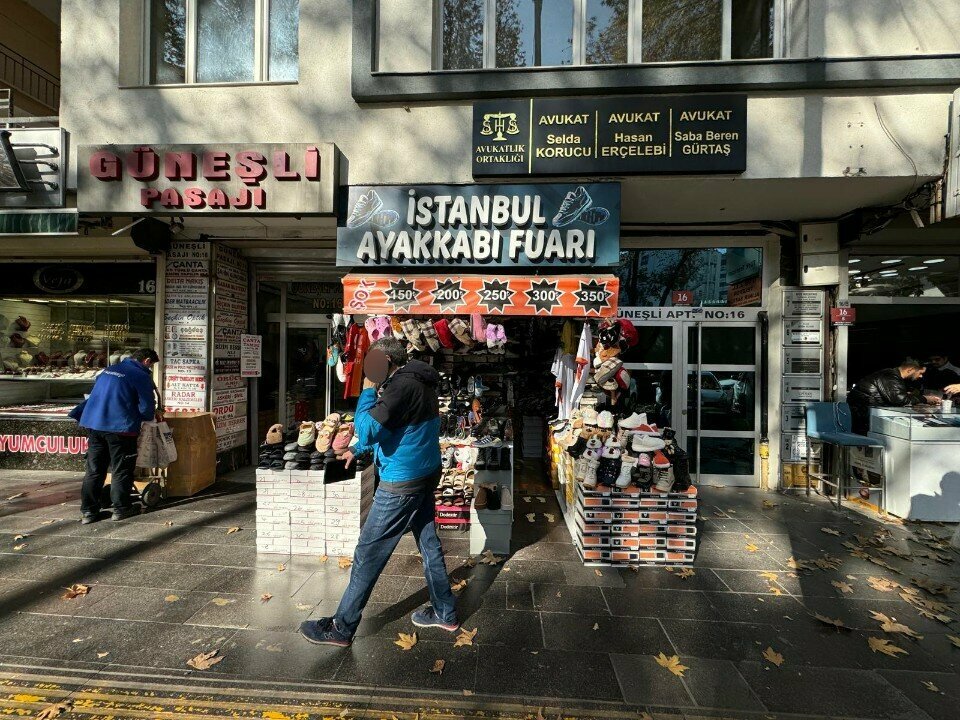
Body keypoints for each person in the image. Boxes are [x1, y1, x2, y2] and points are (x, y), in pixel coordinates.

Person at [299, 337, 457, 647]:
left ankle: (341, 628)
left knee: (368, 554)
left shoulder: (397, 387)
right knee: (428, 544)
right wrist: (357, 450)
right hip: (424, 472)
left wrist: (368, 390)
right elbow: (395, 429)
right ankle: (445, 612)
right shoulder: (417, 380)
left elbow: (368, 427)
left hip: (402, 483)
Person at [69, 348, 161, 524]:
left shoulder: (109, 369)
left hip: (95, 425)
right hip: (121, 428)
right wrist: (148, 414)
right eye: (152, 365)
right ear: (147, 361)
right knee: (121, 469)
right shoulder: (140, 376)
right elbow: (146, 410)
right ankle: (121, 508)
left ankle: (88, 512)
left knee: (94, 470)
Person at [847, 358, 940, 434]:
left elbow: (895, 396)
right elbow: (901, 400)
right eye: (920, 373)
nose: (921, 376)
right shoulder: (890, 376)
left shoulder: (891, 375)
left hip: (868, 416)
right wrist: (925, 399)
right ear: (910, 369)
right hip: (866, 420)